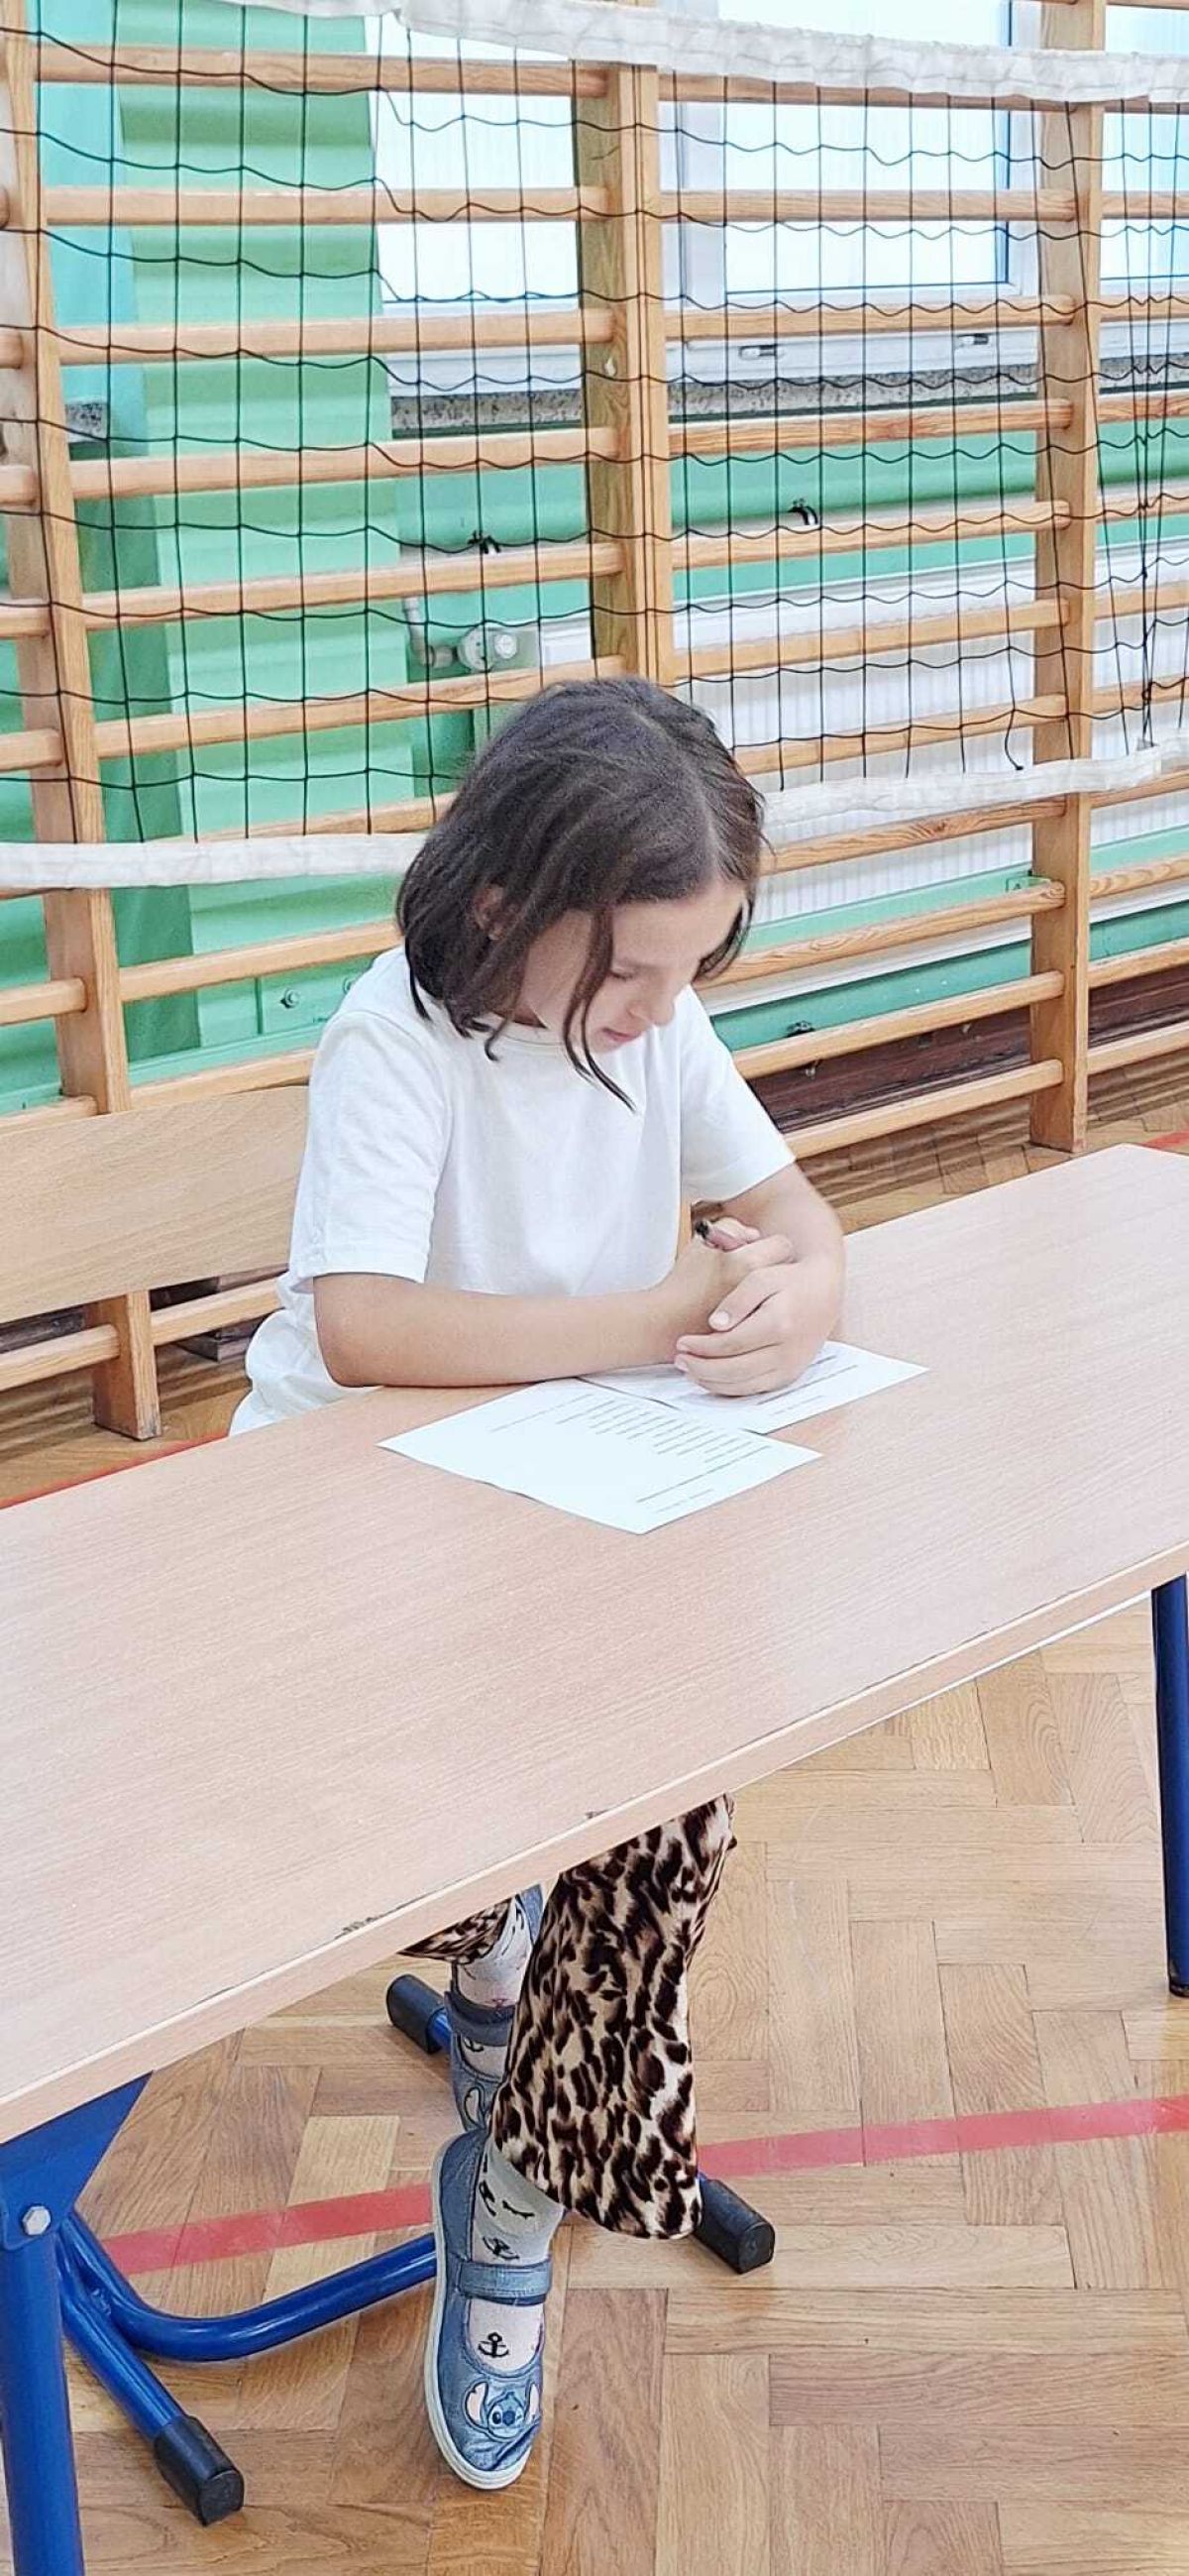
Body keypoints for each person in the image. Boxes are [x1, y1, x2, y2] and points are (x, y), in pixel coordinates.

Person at [233, 677, 844, 2491]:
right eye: (638, 969)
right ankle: (499, 1949)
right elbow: (363, 1328)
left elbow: (796, 1220)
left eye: (694, 969)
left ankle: (516, 2182)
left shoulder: (656, 1021)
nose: (664, 1008)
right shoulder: (397, 1038)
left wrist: (798, 1293)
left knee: (674, 1789)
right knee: (429, 1815)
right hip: (350, 1522)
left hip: (562, 1496)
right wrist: (656, 1318)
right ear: (510, 901)